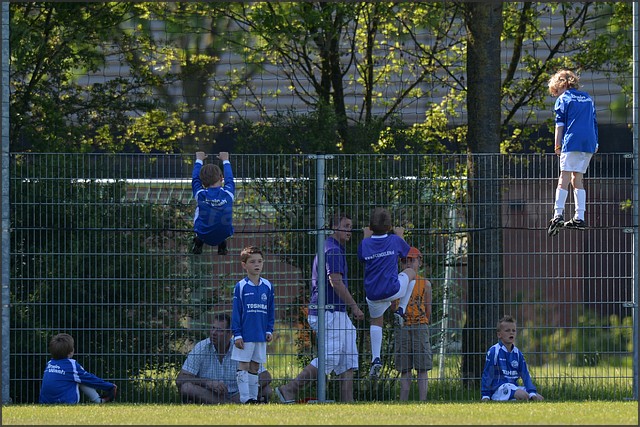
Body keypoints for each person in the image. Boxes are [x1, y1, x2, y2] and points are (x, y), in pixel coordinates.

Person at [275, 212, 364, 404]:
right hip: (328, 311)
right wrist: (355, 307)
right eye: (345, 226)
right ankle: (288, 389)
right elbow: (336, 282)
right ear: (333, 227)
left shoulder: (332, 248)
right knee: (329, 357)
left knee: (348, 357)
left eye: (351, 226)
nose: (350, 230)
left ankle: (348, 405)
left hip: (336, 312)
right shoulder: (332, 250)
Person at [357, 207, 416, 379]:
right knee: (412, 272)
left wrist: (365, 236)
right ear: (390, 226)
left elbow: (362, 257)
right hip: (393, 289)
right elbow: (406, 254)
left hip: (373, 293)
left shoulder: (365, 243)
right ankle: (401, 309)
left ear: (370, 226)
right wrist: (400, 235)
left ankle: (376, 358)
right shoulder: (394, 240)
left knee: (376, 321)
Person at [176, 313, 273, 404]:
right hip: (210, 394)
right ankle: (231, 404)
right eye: (213, 328)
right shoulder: (201, 347)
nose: (213, 333)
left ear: (230, 334)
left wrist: (243, 391)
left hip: (237, 394)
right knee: (186, 388)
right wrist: (208, 383)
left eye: (219, 330)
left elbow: (266, 376)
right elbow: (181, 379)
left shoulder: (241, 347)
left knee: (267, 390)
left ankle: (230, 403)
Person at [546, 69, 598, 236]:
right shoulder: (588, 98)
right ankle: (579, 216)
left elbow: (559, 125)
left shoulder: (564, 98)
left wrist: (557, 146)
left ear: (563, 85)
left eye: (556, 90)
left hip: (573, 141)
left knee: (564, 177)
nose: (556, 94)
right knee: (578, 178)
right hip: (589, 142)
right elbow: (594, 120)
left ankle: (557, 215)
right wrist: (595, 142)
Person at [231, 246, 275, 404]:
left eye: (260, 261)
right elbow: (237, 312)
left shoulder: (268, 286)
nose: (257, 265)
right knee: (243, 364)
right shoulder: (241, 286)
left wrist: (269, 329)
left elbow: (271, 310)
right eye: (252, 262)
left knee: (255, 367)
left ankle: (253, 398)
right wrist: (237, 334)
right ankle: (245, 399)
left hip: (261, 335)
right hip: (245, 334)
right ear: (244, 265)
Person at [391, 246, 432, 401]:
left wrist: (421, 322)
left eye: (411, 260)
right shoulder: (397, 282)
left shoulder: (425, 284)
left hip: (420, 325)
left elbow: (428, 309)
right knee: (404, 368)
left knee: (422, 367)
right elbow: (393, 307)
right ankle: (403, 401)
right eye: (404, 261)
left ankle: (422, 401)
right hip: (402, 326)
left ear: (419, 262)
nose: (408, 264)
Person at [39, 333, 117, 404]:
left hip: (45, 402)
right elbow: (90, 379)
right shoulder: (71, 365)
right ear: (71, 352)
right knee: (81, 379)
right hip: (66, 402)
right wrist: (109, 386)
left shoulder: (49, 363)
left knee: (76, 378)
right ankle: (99, 400)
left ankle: (98, 400)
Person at [480, 315, 544, 402]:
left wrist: (532, 392)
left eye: (513, 330)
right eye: (507, 330)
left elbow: (525, 375)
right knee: (523, 395)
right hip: (499, 388)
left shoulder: (517, 353)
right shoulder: (494, 351)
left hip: (513, 387)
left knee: (539, 397)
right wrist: (485, 395)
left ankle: (513, 398)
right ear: (499, 335)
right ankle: (499, 398)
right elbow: (488, 374)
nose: (511, 333)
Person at [191, 151, 235, 254]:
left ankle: (198, 240)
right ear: (221, 178)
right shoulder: (228, 193)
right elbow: (230, 179)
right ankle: (222, 243)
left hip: (203, 234)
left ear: (202, 181)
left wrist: (199, 160)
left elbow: (195, 179)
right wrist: (225, 160)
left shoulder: (200, 194)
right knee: (224, 213)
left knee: (199, 209)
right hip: (225, 233)